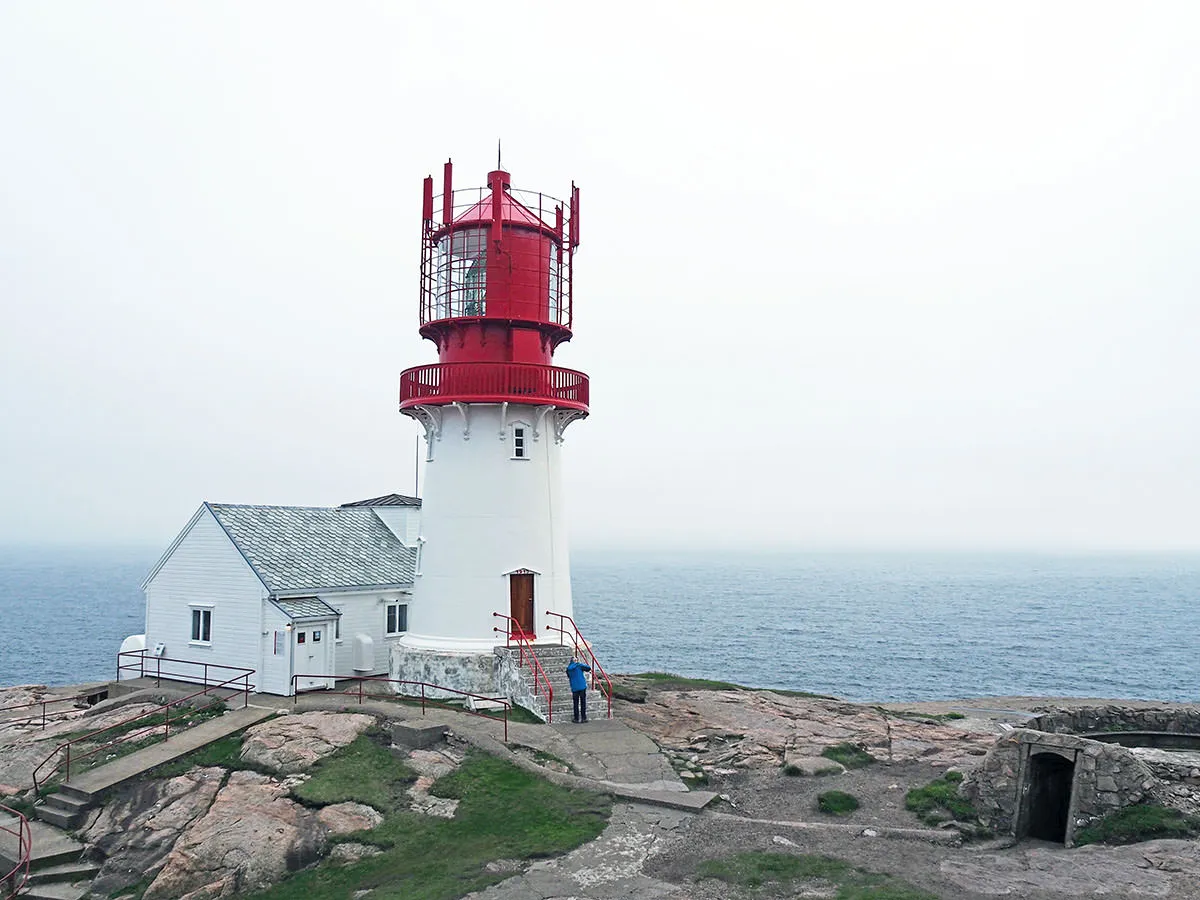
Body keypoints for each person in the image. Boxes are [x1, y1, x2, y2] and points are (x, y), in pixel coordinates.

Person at [566, 654, 592, 723]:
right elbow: (588, 668)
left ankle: (576, 718)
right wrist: (579, 663)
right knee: (583, 702)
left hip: (574, 687)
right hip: (582, 686)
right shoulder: (579, 666)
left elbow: (568, 676)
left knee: (576, 703)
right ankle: (584, 718)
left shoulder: (568, 668)